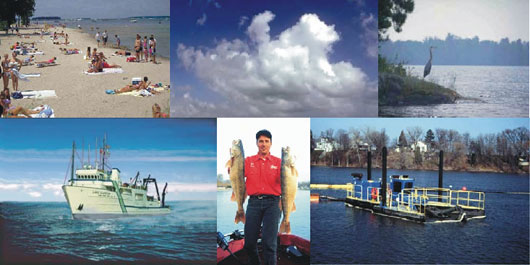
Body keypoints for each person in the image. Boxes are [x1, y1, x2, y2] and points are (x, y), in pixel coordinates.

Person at [244, 129, 282, 265]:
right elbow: (234, 172)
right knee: (248, 244)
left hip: (273, 204)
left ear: (271, 144)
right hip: (253, 203)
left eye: (266, 141)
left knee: (269, 244)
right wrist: (232, 160)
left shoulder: (279, 162)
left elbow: (287, 181)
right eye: (261, 141)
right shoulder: (248, 161)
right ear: (256, 143)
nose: (263, 144)